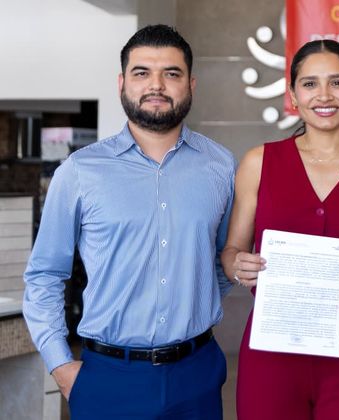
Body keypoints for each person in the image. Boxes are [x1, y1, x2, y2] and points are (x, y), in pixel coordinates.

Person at [23, 25, 235, 419]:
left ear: (191, 84)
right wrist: (60, 364)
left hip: (197, 374)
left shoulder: (221, 166)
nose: (156, 85)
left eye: (171, 73)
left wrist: (191, 302)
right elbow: (45, 274)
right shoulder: (80, 171)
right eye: (142, 73)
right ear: (122, 83)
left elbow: (225, 259)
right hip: (108, 379)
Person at [222, 39, 339, 420]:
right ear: (293, 95)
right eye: (310, 84)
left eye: (337, 82)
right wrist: (238, 265)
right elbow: (231, 251)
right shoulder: (259, 162)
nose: (324, 95)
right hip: (272, 355)